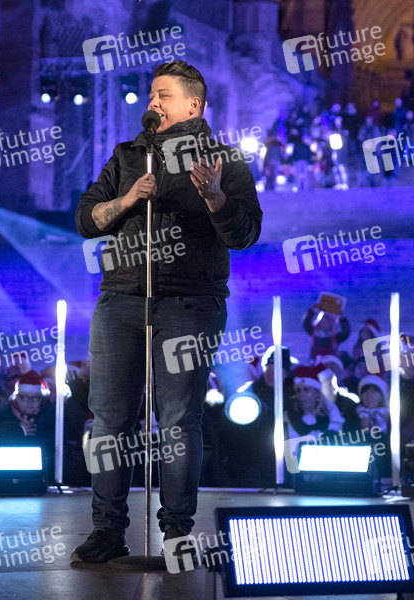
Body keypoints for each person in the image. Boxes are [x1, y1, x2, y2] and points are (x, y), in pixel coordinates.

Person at [72, 60, 262, 563]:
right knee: (110, 419)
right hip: (121, 299)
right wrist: (128, 199)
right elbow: (86, 218)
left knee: (178, 420)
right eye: (151, 95)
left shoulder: (223, 159)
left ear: (193, 105)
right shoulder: (128, 155)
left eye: (164, 95)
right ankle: (108, 530)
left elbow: (246, 233)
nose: (153, 102)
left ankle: (177, 531)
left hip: (189, 302)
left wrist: (215, 197)